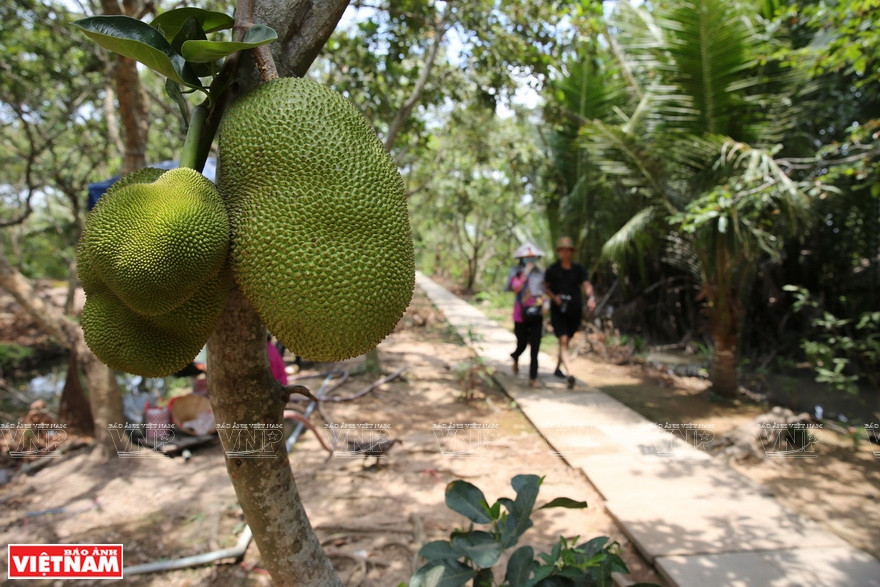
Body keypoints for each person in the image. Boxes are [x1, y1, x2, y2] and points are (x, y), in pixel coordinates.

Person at [544, 237, 596, 387]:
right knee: (563, 340)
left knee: (566, 342)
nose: (565, 253)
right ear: (559, 252)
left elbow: (586, 285)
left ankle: (557, 368)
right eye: (563, 250)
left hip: (574, 311)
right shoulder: (553, 269)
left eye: (568, 250)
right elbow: (545, 287)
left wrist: (591, 297)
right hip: (558, 311)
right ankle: (570, 373)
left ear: (571, 252)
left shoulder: (578, 269)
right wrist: (555, 298)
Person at [508, 243, 545, 388]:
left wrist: (545, 304)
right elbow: (516, 289)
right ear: (521, 258)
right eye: (527, 257)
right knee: (522, 343)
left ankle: (533, 378)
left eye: (533, 257)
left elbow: (544, 291)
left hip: (536, 313)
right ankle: (515, 356)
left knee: (535, 346)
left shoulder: (540, 273)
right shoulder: (516, 272)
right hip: (520, 314)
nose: (530, 259)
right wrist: (525, 274)